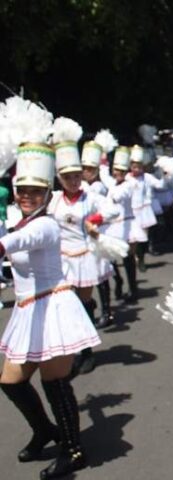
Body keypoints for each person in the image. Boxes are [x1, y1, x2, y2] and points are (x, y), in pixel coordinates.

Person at [0, 143, 99, 478]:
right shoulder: (18, 219)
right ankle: (45, 431)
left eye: (35, 190)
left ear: (46, 193)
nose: (27, 195)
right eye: (22, 190)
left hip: (53, 307)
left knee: (54, 382)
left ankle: (74, 450)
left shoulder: (45, 224)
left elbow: (17, 243)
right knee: (11, 381)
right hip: (28, 310)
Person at [49, 139, 119, 374]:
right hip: (61, 258)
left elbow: (112, 209)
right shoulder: (55, 199)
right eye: (68, 176)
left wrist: (94, 220)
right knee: (66, 307)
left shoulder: (89, 196)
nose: (73, 180)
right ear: (60, 177)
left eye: (77, 175)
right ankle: (72, 353)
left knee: (82, 305)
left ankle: (87, 352)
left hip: (84, 257)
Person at [81, 140, 117, 327]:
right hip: (83, 237)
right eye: (84, 168)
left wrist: (92, 221)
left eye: (89, 168)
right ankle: (93, 306)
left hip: (96, 234)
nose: (85, 171)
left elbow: (104, 211)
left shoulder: (97, 188)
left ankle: (106, 311)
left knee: (101, 275)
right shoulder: (83, 187)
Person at [100, 146, 142, 303]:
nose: (116, 172)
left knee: (128, 258)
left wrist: (113, 190)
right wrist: (103, 158)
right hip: (112, 226)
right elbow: (104, 175)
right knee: (111, 258)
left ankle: (133, 289)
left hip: (127, 225)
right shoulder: (113, 183)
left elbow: (120, 196)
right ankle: (118, 282)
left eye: (120, 170)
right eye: (115, 169)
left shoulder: (129, 184)